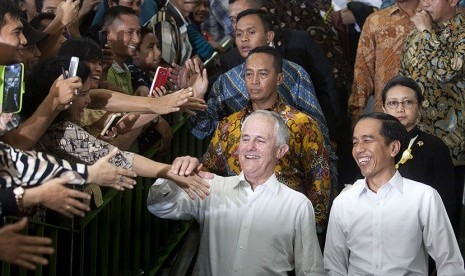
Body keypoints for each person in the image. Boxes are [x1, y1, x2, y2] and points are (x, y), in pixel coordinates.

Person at [148, 110, 325, 275]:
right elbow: (157, 206)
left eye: (260, 140)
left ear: (281, 151)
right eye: (245, 139)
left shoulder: (297, 205)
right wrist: (175, 174)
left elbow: (311, 271)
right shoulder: (211, 187)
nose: (250, 147)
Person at [22, 57, 210, 201]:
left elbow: (101, 97)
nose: (88, 100)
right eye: (83, 94)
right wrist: (170, 171)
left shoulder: (57, 118)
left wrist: (159, 104)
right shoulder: (60, 133)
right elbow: (120, 158)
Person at [188, 9, 337, 189]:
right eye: (239, 34)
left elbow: (318, 132)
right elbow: (204, 130)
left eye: (251, 32)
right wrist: (195, 98)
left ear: (269, 36)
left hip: (291, 180)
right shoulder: (225, 82)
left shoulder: (294, 74)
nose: (244, 39)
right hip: (241, 186)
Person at [200, 46, 331, 236]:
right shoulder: (229, 126)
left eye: (262, 74)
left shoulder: (302, 124)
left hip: (286, 226)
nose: (254, 81)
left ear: (279, 78)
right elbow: (209, 171)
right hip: (235, 224)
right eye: (249, 74)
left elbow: (320, 180)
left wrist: (310, 231)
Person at [324, 112, 465, 275]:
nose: (359, 149)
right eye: (355, 142)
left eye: (367, 140)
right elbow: (333, 267)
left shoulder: (424, 198)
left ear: (393, 148)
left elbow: (450, 263)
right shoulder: (344, 202)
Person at [398, 0, 465, 214]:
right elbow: (405, 83)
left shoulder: (461, 31)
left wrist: (427, 32)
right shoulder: (415, 34)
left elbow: (448, 72)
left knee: (445, 216)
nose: (424, 3)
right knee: (413, 214)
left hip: (451, 145)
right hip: (415, 141)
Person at [381, 76, 456, 227]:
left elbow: (446, 205)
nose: (400, 109)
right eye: (393, 103)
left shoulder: (435, 147)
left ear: (419, 107)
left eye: (408, 102)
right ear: (383, 108)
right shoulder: (374, 145)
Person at [347, 0, 418, 124]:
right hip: (388, 119)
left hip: (433, 115)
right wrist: (356, 118)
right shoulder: (376, 21)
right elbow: (362, 74)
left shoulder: (438, 17)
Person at [104, 6, 140, 94]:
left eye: (138, 33)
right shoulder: (103, 70)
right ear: (108, 34)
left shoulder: (125, 68)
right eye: (130, 32)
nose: (137, 39)